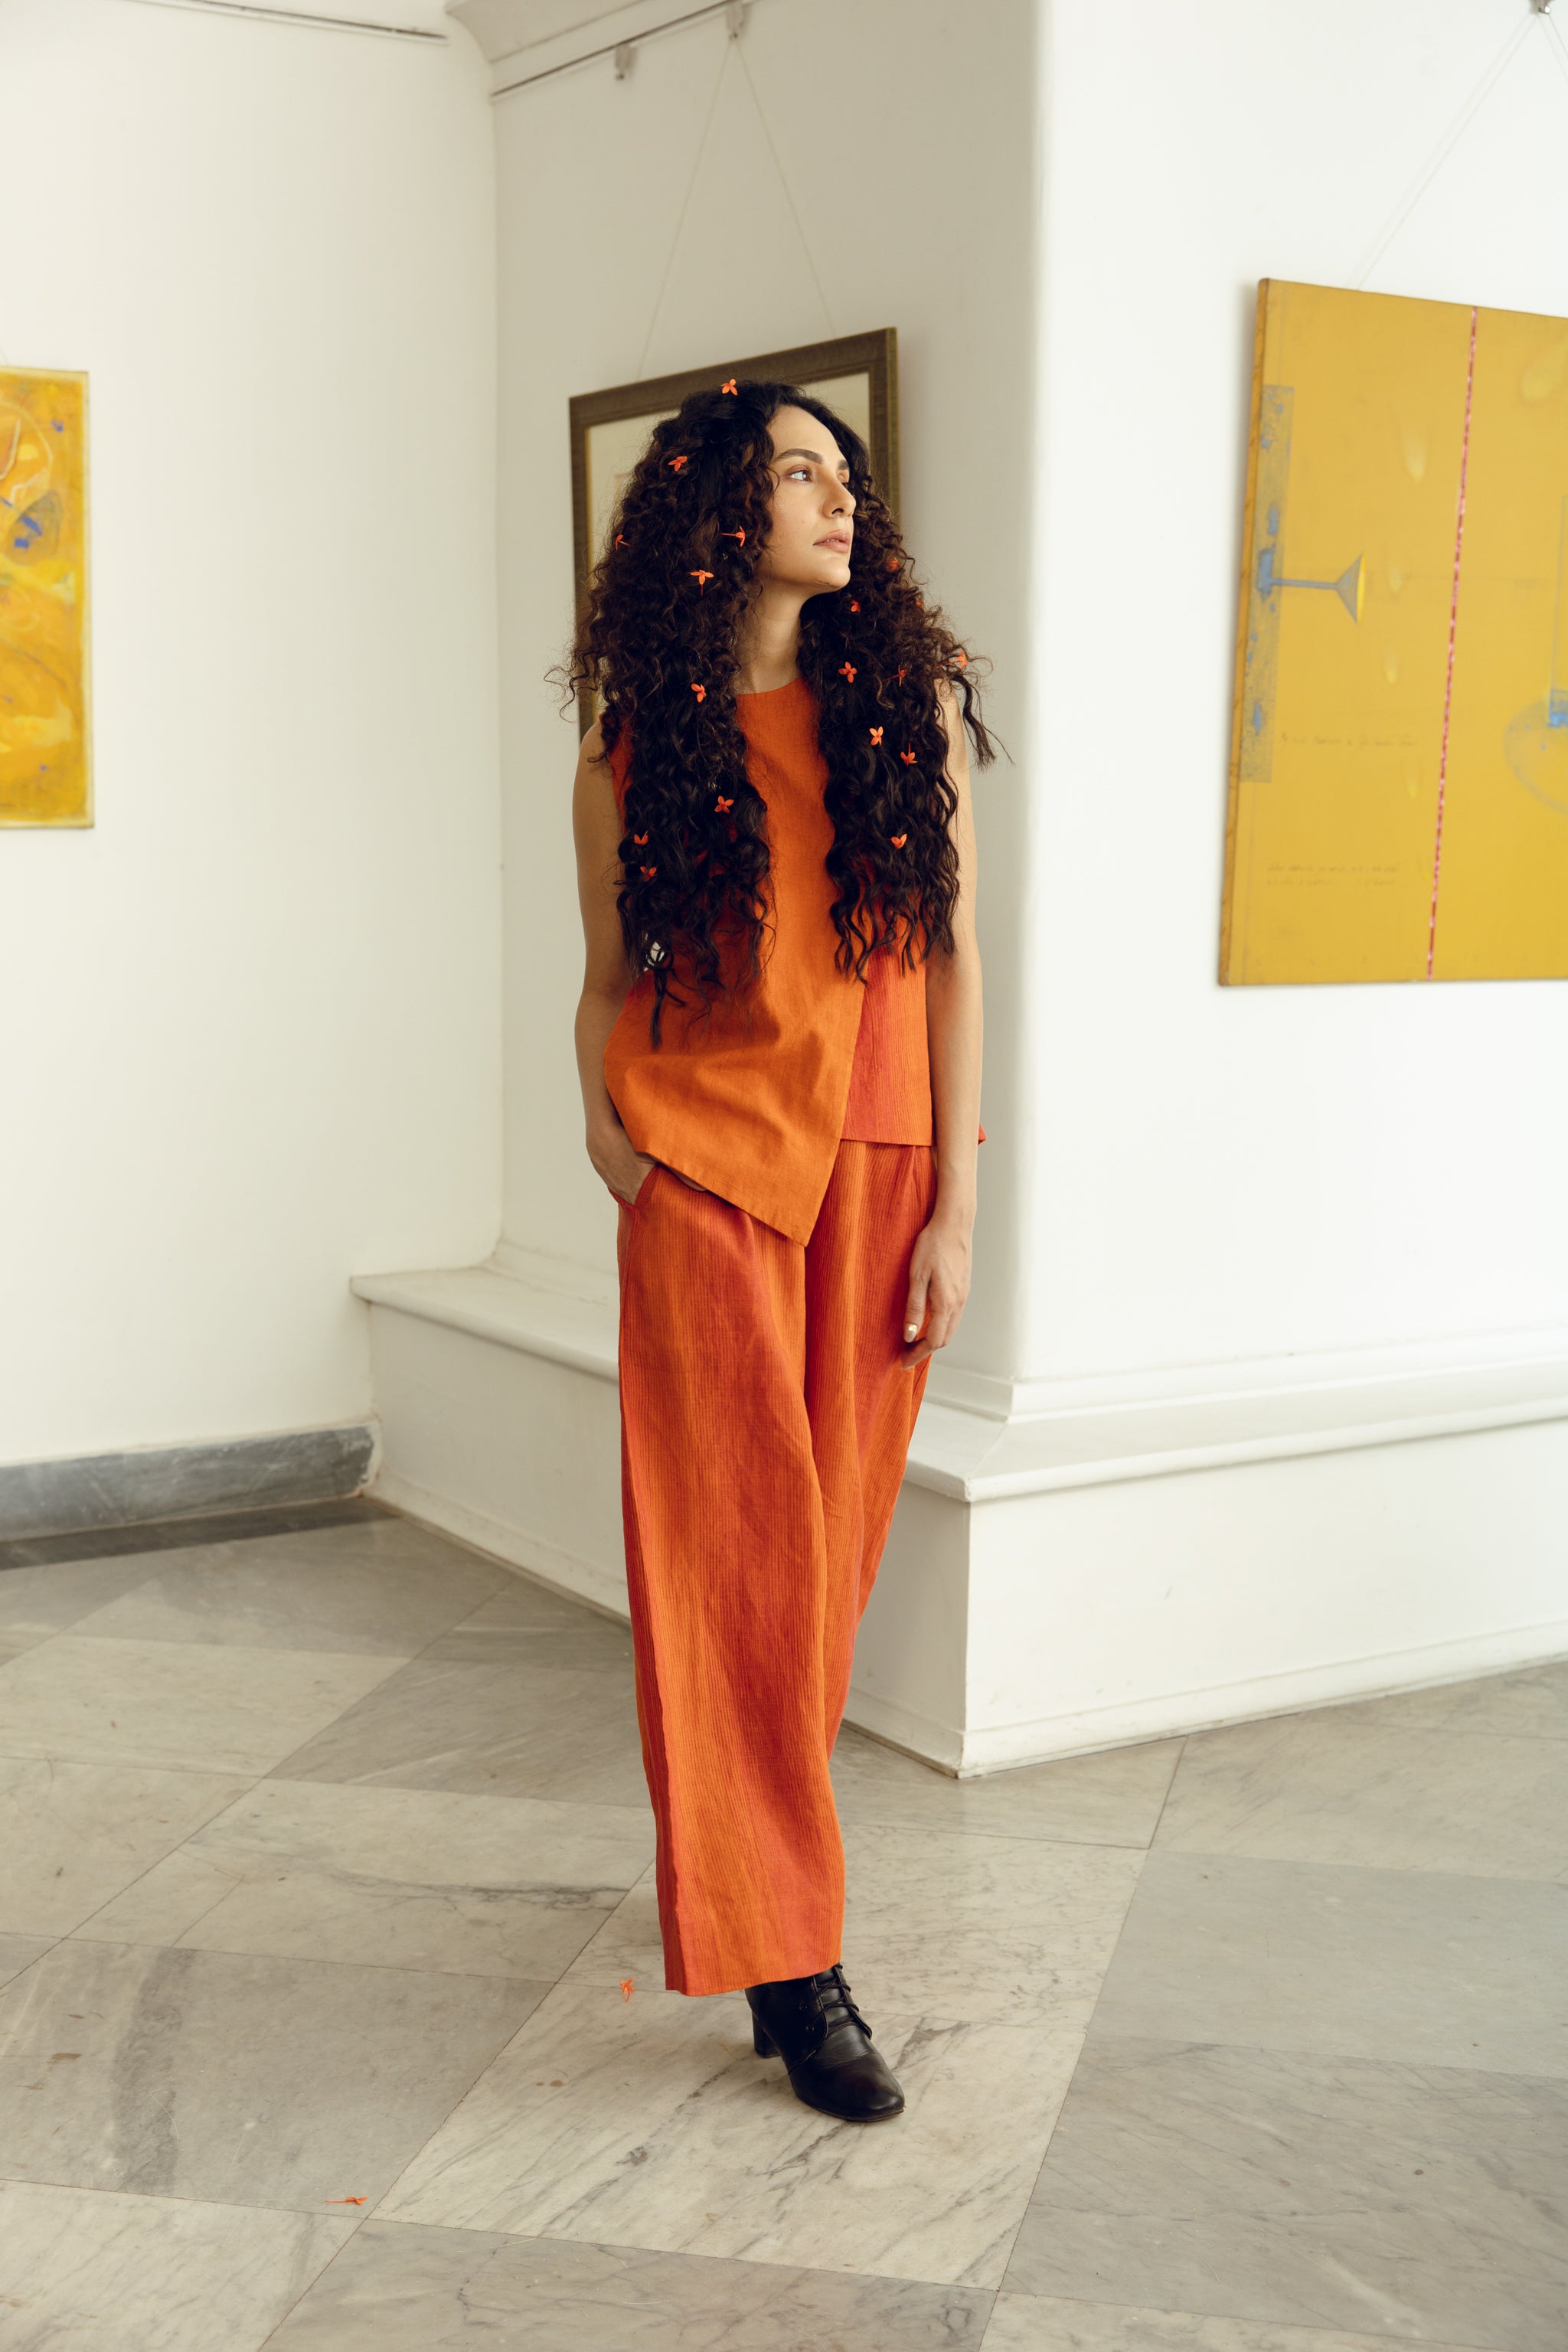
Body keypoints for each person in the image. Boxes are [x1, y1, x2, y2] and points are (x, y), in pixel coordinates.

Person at [566, 378, 989, 2124]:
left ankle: (764, 1912)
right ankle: (800, 1970)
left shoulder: (905, 711)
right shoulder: (632, 754)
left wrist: (958, 1202)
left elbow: (954, 964)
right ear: (719, 515)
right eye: (799, 474)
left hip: (880, 1170)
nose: (837, 500)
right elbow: (605, 983)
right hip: (708, 1179)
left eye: (843, 475)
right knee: (726, 1575)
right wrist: (619, 1151)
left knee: (818, 1577)